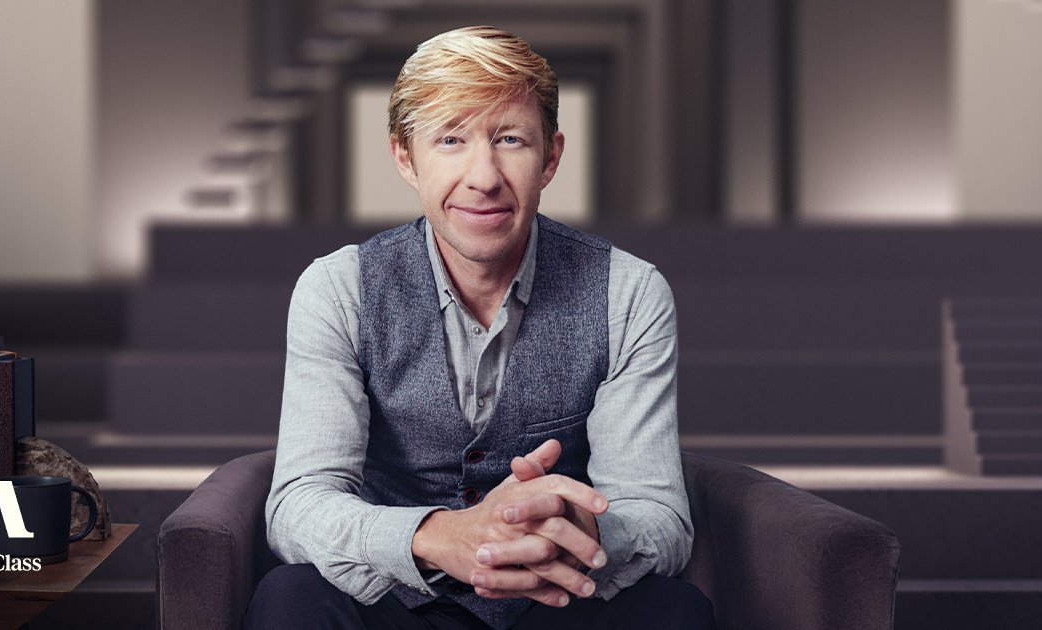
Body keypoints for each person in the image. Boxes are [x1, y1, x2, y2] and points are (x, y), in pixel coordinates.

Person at [249, 26, 715, 629]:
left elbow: (660, 518)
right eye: (450, 139)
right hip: (397, 594)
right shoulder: (338, 289)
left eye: (510, 139)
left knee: (674, 612)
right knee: (290, 601)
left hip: (556, 599)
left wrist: (579, 527)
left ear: (550, 158)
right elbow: (299, 506)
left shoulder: (629, 292)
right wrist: (442, 535)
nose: (484, 176)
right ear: (404, 157)